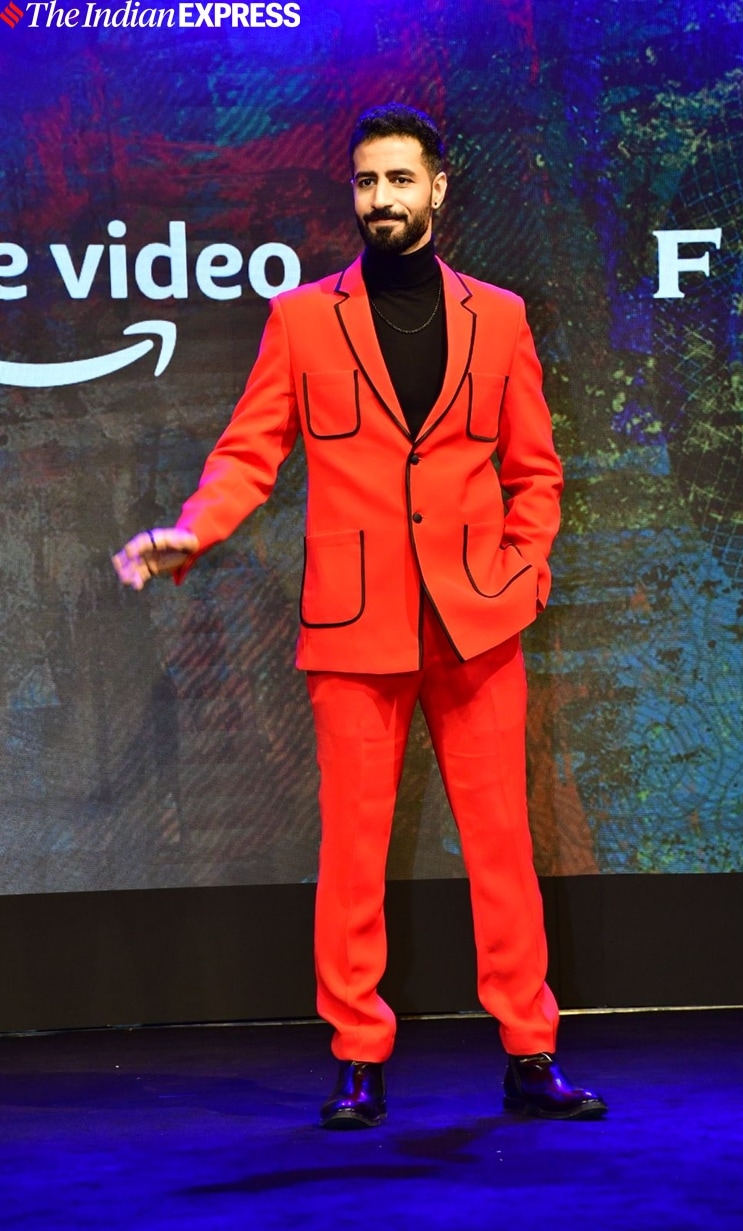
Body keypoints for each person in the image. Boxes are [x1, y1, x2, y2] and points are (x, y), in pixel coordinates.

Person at [112, 103, 607, 1128]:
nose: (378, 199)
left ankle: (529, 1049)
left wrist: (523, 573)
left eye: (397, 180)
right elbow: (249, 454)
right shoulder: (301, 319)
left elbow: (535, 472)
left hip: (476, 624)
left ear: (436, 187)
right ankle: (357, 1054)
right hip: (354, 626)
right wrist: (193, 534)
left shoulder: (501, 317)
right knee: (352, 851)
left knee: (503, 847)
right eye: (364, 183)